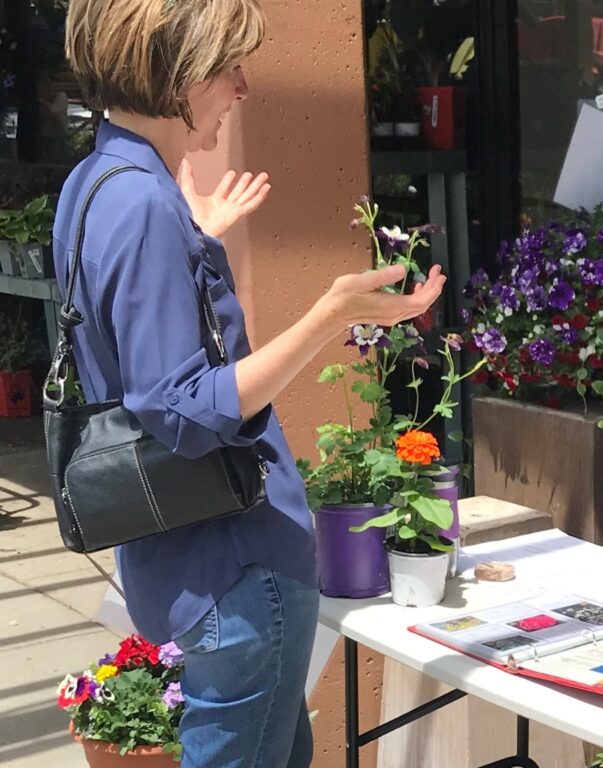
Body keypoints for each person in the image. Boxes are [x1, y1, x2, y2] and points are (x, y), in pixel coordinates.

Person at [57, 1, 446, 765]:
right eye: (227, 67)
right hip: (234, 565)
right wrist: (329, 314)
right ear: (174, 69)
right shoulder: (141, 204)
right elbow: (183, 409)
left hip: (189, 558)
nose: (242, 88)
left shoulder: (97, 181)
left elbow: (133, 350)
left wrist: (196, 244)